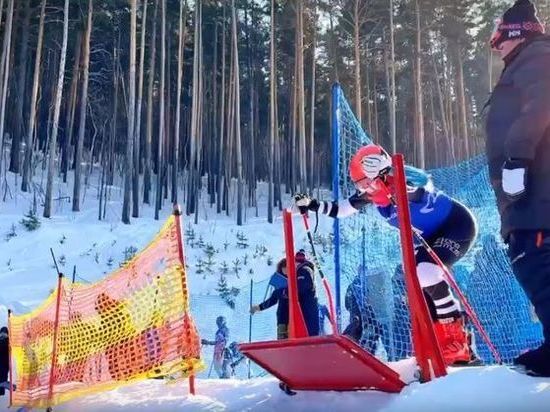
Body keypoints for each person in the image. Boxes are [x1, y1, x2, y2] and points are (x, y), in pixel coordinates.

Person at [295, 143, 478, 366]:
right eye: (358, 183)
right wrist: (312, 204)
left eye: (363, 182)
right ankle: (444, 342)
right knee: (416, 282)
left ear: (378, 173)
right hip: (429, 237)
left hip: (457, 226)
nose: (361, 189)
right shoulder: (374, 193)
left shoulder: (403, 182)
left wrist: (395, 191)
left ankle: (457, 341)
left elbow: (420, 189)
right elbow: (341, 209)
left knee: (426, 273)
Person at [485, 0, 550, 377]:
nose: (495, 43)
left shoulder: (537, 56)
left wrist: (517, 160)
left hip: (536, 191)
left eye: (499, 33)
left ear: (515, 30)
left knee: (538, 263)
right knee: (533, 263)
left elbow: (543, 103)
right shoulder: (526, 61)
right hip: (527, 197)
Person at [251, 256, 320, 338]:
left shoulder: (303, 273)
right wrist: (260, 307)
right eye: (284, 274)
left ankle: (285, 332)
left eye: (287, 272)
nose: (287, 274)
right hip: (287, 319)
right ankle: (283, 332)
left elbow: (300, 288)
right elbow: (274, 298)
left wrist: (284, 292)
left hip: (303, 318)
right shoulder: (285, 288)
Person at [0, 327, 9, 396]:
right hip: (3, 363)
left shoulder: (8, 341)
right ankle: (3, 383)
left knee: (3, 375)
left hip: (5, 363)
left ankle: (3, 383)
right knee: (3, 376)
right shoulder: (6, 341)